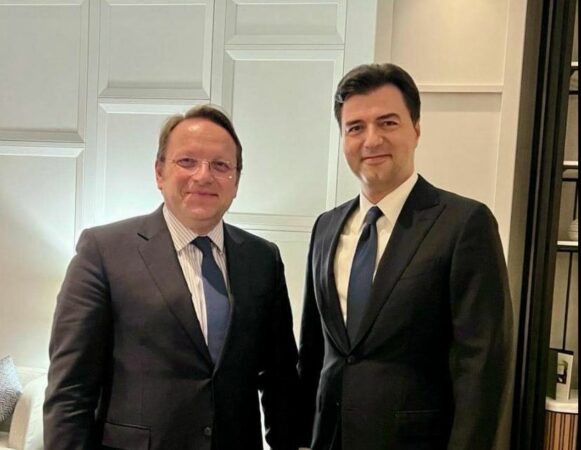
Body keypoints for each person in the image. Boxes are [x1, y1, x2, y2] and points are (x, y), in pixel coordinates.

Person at [44, 105, 299, 450]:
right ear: (159, 173)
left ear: (236, 181)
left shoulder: (262, 259)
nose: (203, 176)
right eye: (187, 161)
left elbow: (280, 378)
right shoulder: (104, 251)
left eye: (220, 165)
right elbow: (71, 390)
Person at [297, 63, 513, 450]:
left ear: (416, 129)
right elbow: (314, 351)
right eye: (355, 127)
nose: (371, 140)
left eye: (388, 123)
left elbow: (482, 368)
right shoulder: (326, 227)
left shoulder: (464, 224)